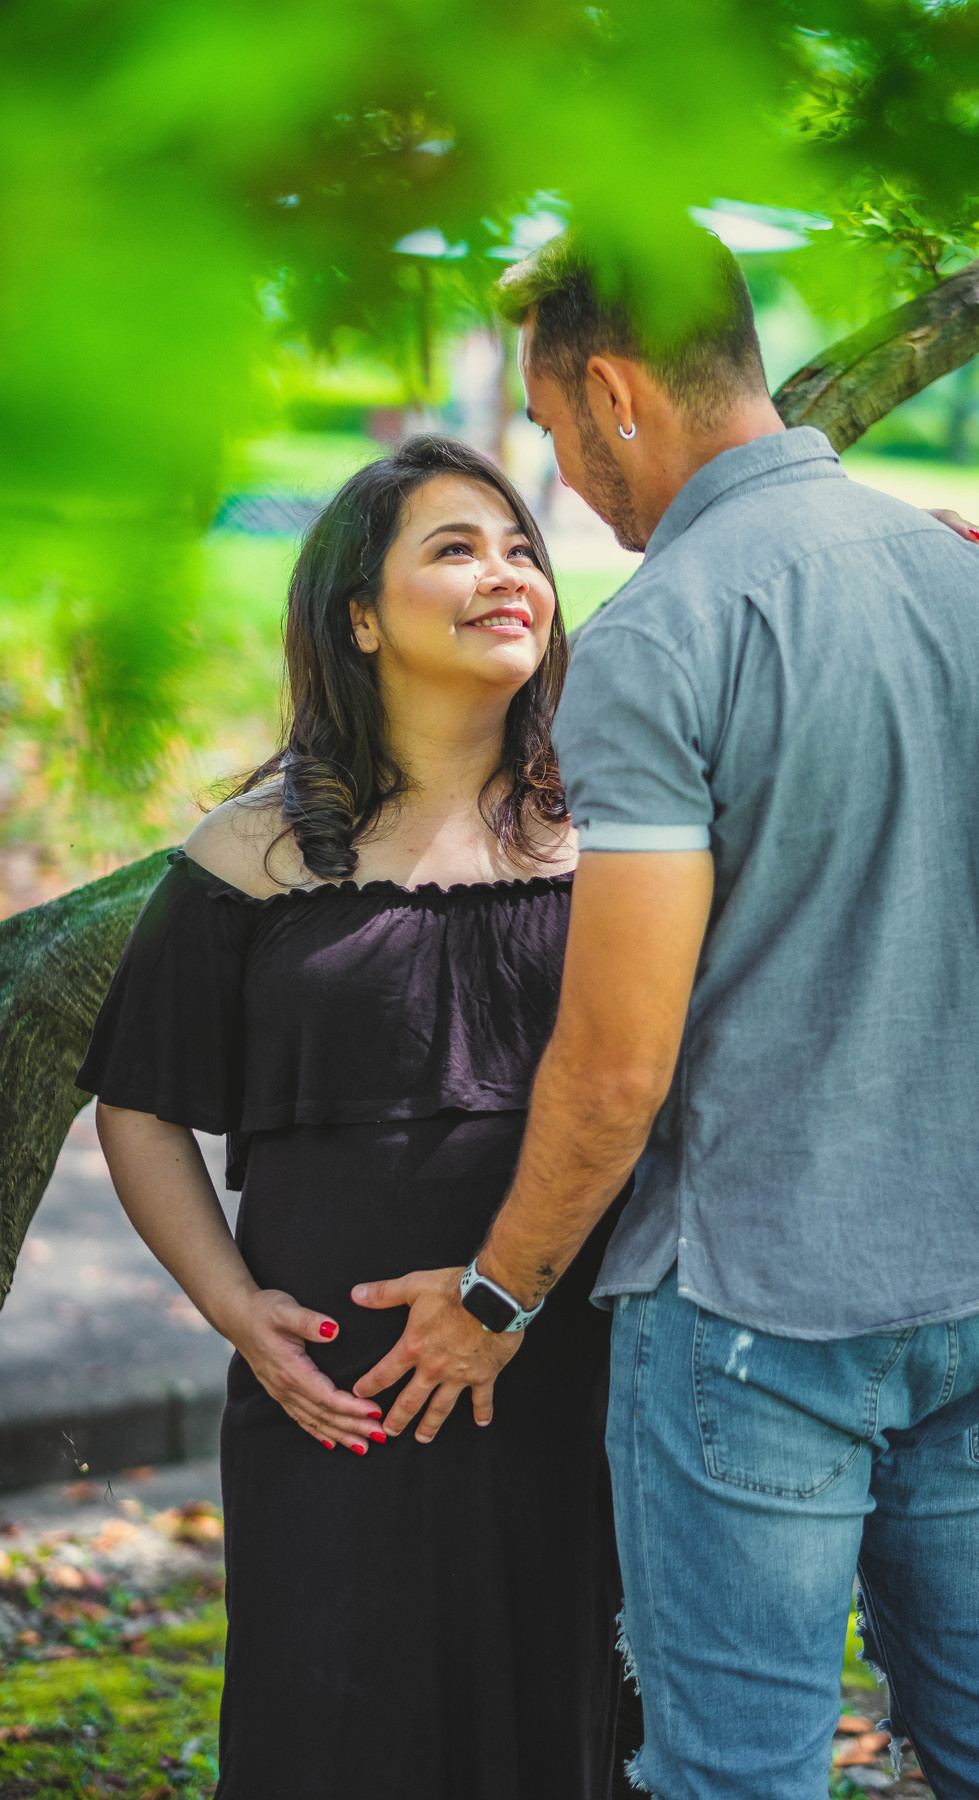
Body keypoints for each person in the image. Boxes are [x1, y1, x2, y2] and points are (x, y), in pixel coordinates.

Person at [382, 233, 979, 1800]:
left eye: (561, 439)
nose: (568, 486)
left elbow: (620, 1054)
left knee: (735, 1774)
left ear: (618, 395)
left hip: (765, 1306)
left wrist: (498, 1297)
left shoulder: (662, 632)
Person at [76, 436, 639, 1800]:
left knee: (565, 1732)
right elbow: (140, 1106)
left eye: (520, 549)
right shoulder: (250, 854)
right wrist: (233, 1310)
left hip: (574, 1376)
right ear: (361, 617)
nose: (506, 574)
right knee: (337, 1732)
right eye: (455, 548)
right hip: (335, 1405)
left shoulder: (621, 837)